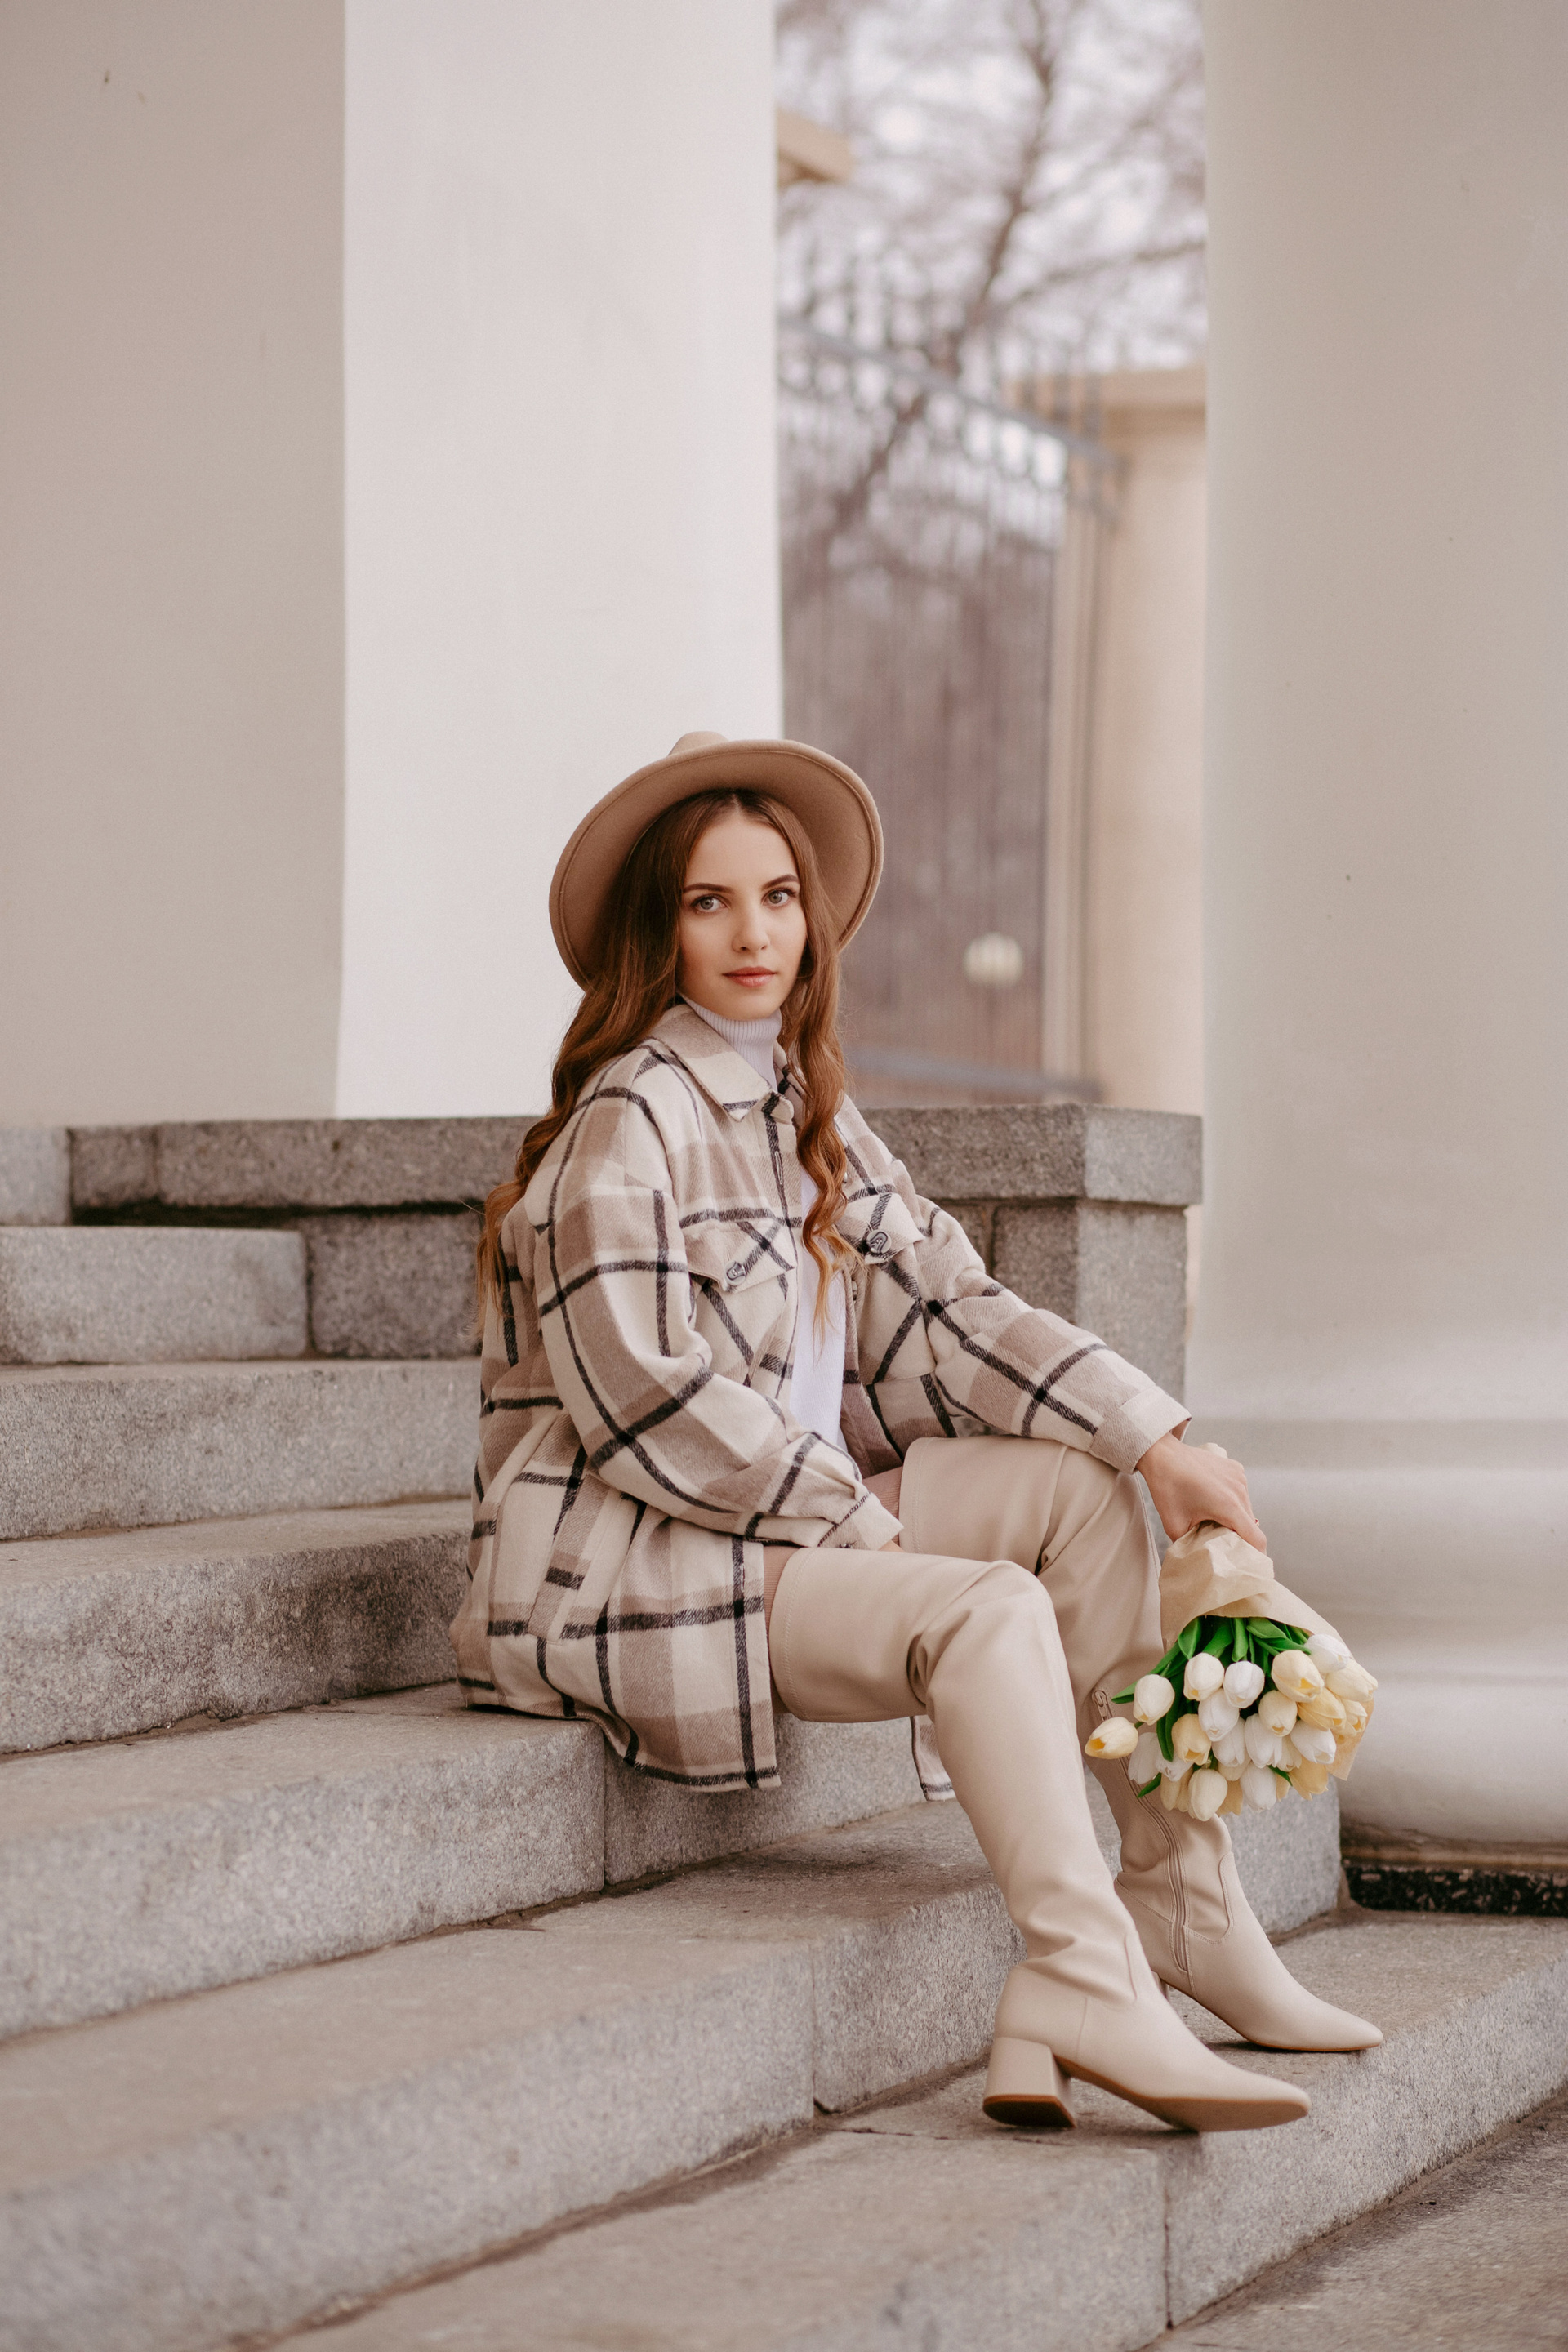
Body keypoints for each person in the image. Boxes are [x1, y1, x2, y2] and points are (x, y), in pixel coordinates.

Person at [456, 731, 1380, 2135]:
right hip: (627, 1565)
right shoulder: (626, 1122)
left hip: (777, 1525)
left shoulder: (806, 1113)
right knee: (985, 1606)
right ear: (661, 928)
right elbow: (645, 1404)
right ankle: (1080, 1977)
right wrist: (858, 1519)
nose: (754, 933)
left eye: (778, 895)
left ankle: (1184, 1909)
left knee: (1080, 1495)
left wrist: (1153, 1441)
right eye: (711, 902)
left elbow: (955, 1309)